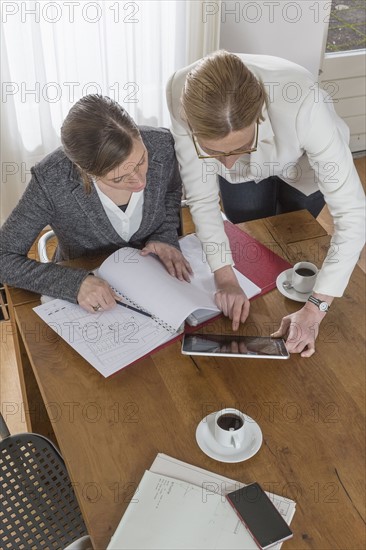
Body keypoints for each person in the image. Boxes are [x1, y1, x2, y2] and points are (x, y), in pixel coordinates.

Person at [166, 50, 365, 357]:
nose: (228, 164)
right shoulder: (179, 90)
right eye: (215, 152)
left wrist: (315, 309)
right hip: (249, 173)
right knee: (252, 236)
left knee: (292, 236)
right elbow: (202, 197)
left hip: (303, 165)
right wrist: (224, 277)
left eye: (240, 147)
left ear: (258, 115)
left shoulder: (304, 103)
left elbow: (353, 216)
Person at [0, 95, 192, 313]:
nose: (140, 181)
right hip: (90, 295)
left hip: (155, 278)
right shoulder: (52, 179)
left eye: (141, 161)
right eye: (118, 178)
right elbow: (3, 257)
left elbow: (171, 190)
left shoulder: (163, 145)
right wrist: (74, 284)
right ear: (85, 171)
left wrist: (164, 235)